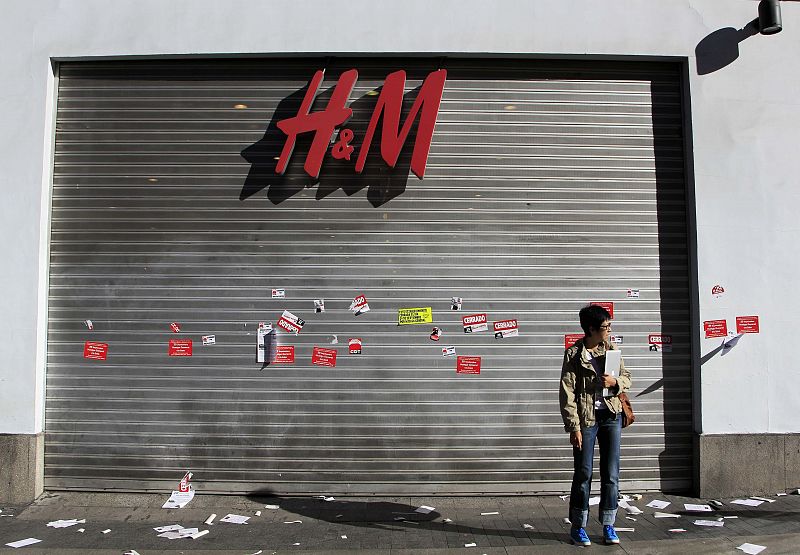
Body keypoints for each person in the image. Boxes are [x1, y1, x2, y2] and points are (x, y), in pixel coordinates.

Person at [559, 304, 632, 546]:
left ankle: (609, 524)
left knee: (611, 474)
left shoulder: (611, 349)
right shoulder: (574, 354)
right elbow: (567, 393)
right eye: (605, 327)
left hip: (610, 416)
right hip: (586, 420)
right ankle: (578, 526)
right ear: (591, 329)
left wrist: (615, 381)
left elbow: (627, 378)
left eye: (610, 325)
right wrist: (574, 427)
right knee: (583, 473)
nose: (609, 330)